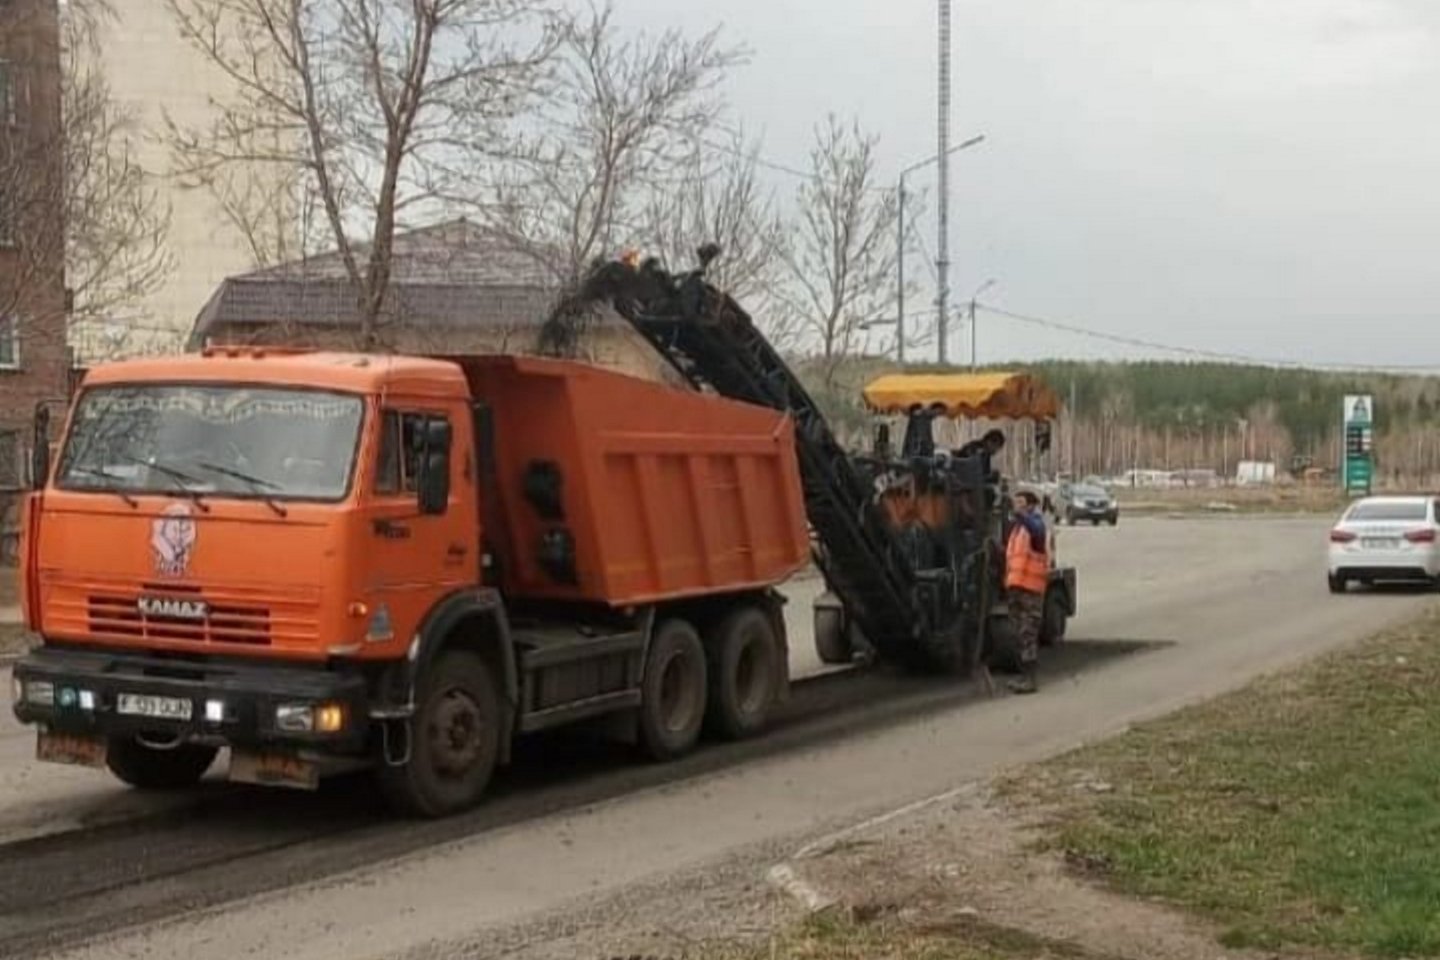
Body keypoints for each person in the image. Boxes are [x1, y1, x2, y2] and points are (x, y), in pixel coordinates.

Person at [1004, 489, 1048, 694]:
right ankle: (1023, 677)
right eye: (1016, 502)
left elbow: (1036, 531)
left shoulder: (1035, 526)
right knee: (1018, 636)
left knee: (1027, 634)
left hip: (1030, 591)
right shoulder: (1017, 530)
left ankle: (1030, 680)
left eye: (1021, 503)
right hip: (1016, 590)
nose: (1017, 506)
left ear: (1031, 505)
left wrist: (1020, 515)